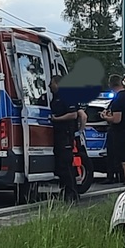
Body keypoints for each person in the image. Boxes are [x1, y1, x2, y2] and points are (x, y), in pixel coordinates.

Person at [48, 75, 80, 203]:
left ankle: (72, 195)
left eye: (51, 83)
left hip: (65, 135)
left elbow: (73, 114)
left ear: (57, 83)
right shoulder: (55, 97)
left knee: (65, 166)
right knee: (61, 166)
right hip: (58, 135)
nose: (49, 86)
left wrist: (56, 119)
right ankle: (67, 192)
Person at [100, 74, 125, 184]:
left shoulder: (118, 99)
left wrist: (105, 117)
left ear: (111, 85)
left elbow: (117, 119)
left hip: (122, 134)